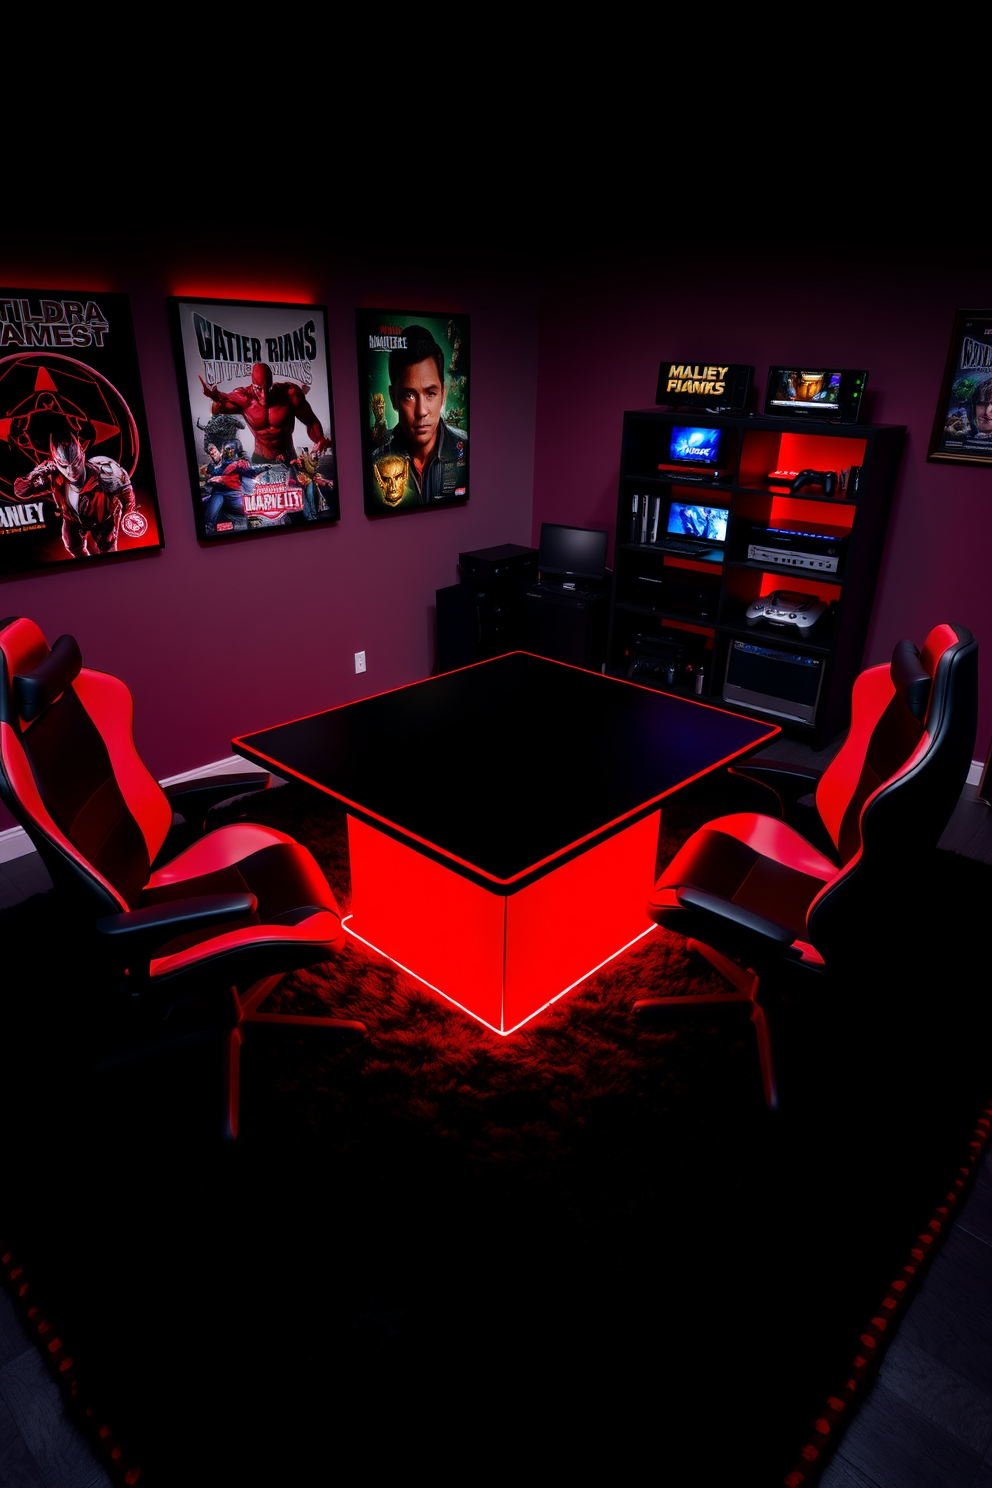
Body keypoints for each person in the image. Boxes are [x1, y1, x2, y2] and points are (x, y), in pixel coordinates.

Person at [371, 325, 467, 505]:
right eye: (409, 395)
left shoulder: (464, 449)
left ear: (443, 395)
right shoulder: (375, 461)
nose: (422, 411)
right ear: (393, 398)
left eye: (431, 394)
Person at [12, 428, 134, 557]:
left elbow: (127, 495)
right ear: (56, 463)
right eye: (64, 466)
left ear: (82, 455)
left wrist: (127, 518)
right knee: (73, 545)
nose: (71, 472)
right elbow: (21, 491)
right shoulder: (53, 475)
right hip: (72, 519)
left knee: (107, 547)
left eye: (75, 463)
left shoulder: (106, 471)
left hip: (103, 519)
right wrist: (35, 473)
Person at [198, 362, 330, 466]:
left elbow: (311, 421)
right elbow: (218, 409)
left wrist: (320, 439)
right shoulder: (245, 399)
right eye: (259, 389)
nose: (264, 394)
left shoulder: (289, 395)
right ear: (253, 385)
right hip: (260, 459)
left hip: (288, 459)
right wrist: (215, 398)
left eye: (269, 388)